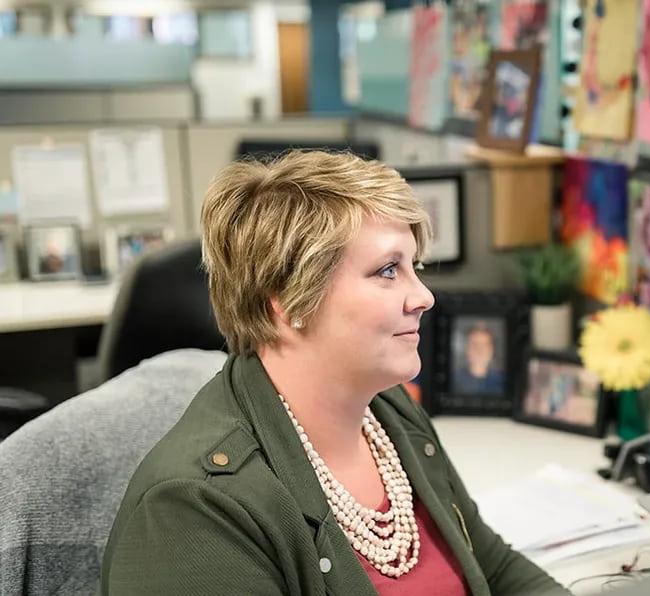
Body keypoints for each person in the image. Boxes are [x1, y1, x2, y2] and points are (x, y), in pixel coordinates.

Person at [100, 150, 568, 596]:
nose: (423, 296)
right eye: (388, 270)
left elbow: (494, 566)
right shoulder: (193, 510)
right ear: (286, 301)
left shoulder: (389, 412)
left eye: (414, 266)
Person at [452, 322, 505, 395]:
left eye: (485, 345)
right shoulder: (453, 380)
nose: (480, 350)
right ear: (467, 349)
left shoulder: (503, 381)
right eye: (475, 344)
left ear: (492, 350)